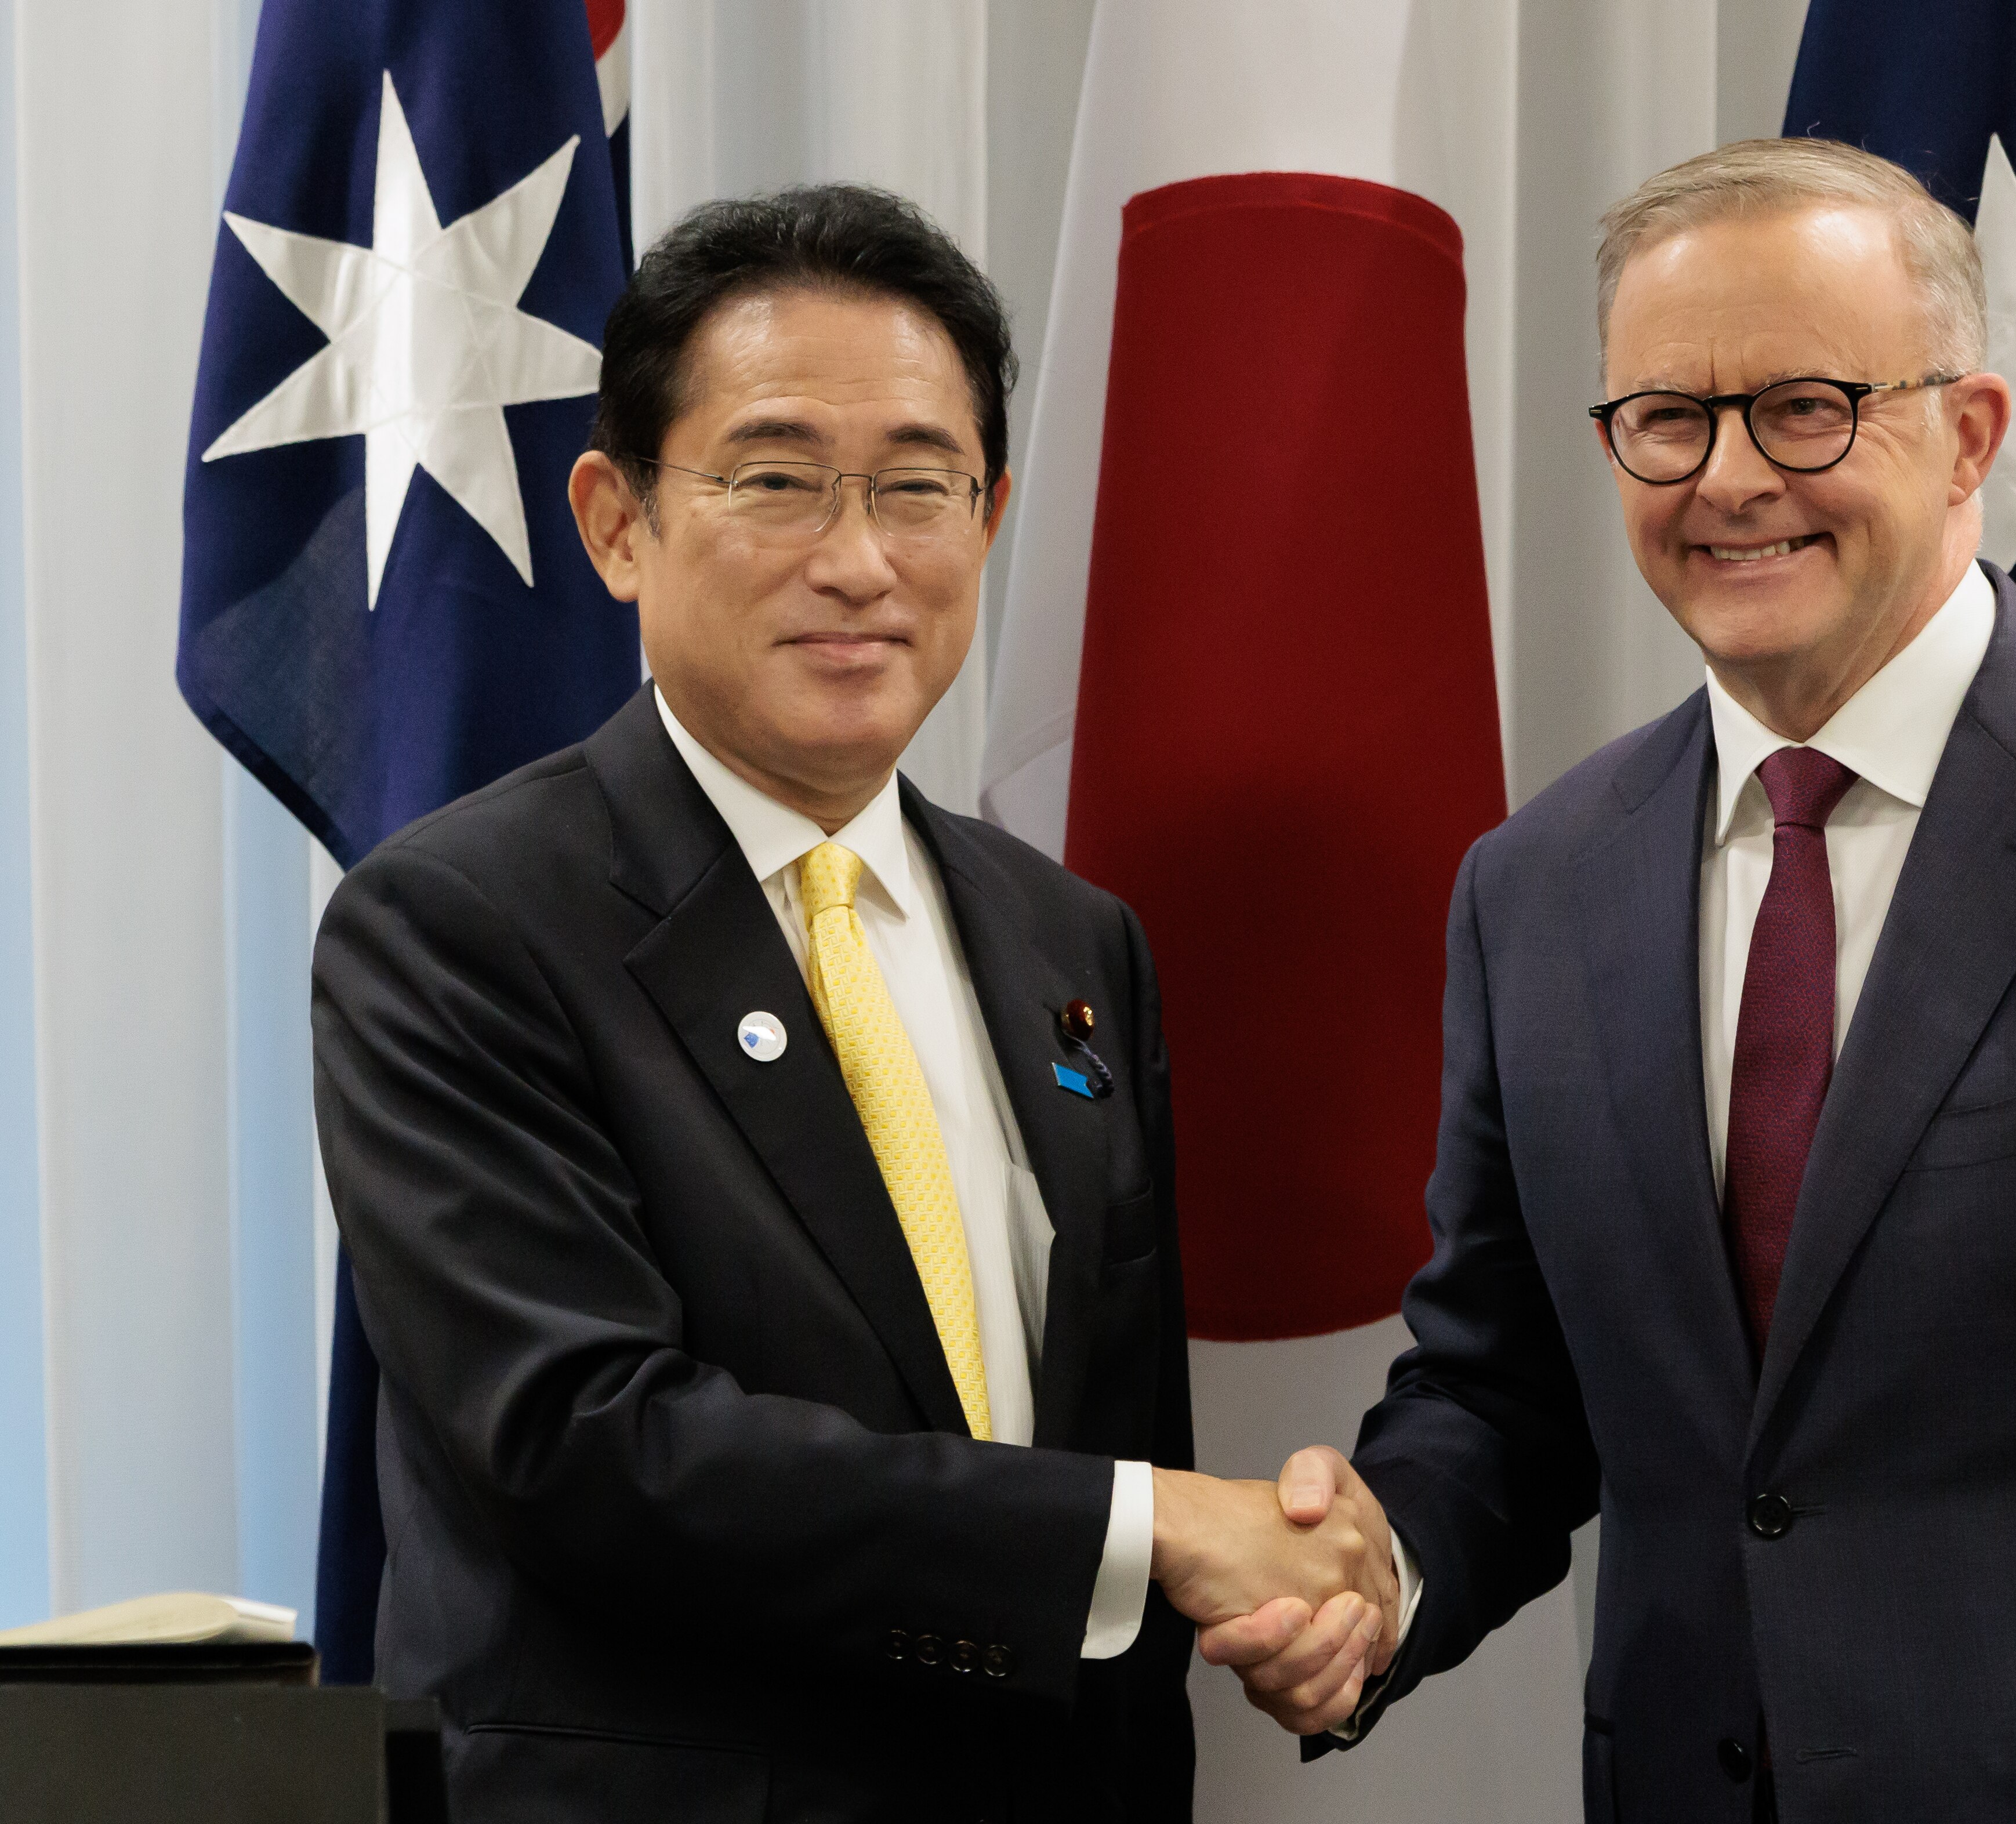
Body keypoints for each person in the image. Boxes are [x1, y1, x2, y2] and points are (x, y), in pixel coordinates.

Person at [1205, 139, 2016, 1821]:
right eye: (1666, 418)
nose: (1730, 476)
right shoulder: (1533, 887)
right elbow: (1503, 1391)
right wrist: (1380, 1573)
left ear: (1967, 432)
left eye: (1806, 405)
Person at [311, 184, 1393, 1824]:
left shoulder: (1071, 942)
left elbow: (1101, 1432)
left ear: (990, 509)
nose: (859, 559)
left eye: (917, 486)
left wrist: (1277, 1605)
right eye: (775, 481)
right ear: (616, 519)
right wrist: (1153, 1526)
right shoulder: (455, 926)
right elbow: (593, 1449)